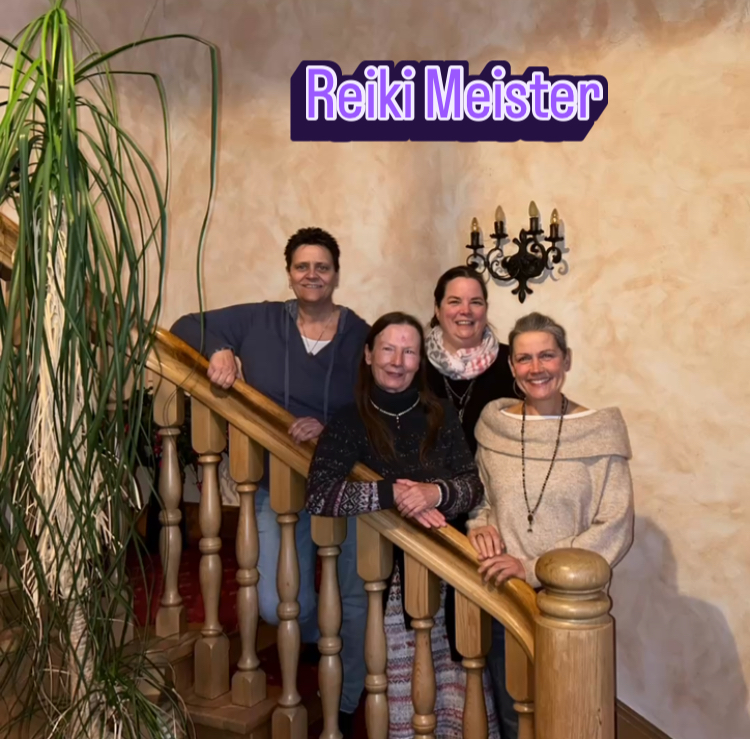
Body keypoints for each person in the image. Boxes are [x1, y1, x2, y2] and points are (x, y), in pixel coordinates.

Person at [170, 227, 369, 728]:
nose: (312, 275)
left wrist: (331, 429)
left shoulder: (360, 334)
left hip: (344, 480)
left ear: (336, 275)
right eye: (302, 266)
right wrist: (219, 348)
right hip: (273, 482)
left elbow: (377, 404)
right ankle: (312, 638)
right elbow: (185, 325)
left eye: (322, 267)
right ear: (289, 273)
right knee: (275, 601)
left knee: (351, 597)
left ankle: (347, 702)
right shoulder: (260, 319)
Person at [306, 312, 500, 739]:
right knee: (405, 698)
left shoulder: (440, 413)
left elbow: (472, 486)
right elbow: (319, 495)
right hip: (389, 584)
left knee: (457, 694)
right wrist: (392, 493)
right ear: (368, 354)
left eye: (409, 351)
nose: (398, 361)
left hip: (450, 572)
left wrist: (435, 494)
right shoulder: (349, 419)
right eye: (388, 349)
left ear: (419, 360)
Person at [468, 312, 635, 725]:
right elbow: (482, 497)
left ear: (566, 359)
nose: (536, 368)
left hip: (572, 607)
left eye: (547, 355)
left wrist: (530, 567)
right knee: (515, 716)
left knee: (571, 716)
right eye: (524, 358)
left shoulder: (598, 431)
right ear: (512, 367)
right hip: (506, 598)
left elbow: (615, 525)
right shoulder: (496, 427)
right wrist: (481, 523)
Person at [424, 265, 517, 738]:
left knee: (492, 643)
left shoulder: (512, 364)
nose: (466, 311)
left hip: (492, 518)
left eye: (475, 301)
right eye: (454, 301)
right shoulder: (413, 363)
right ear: (437, 308)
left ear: (486, 308)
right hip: (427, 517)